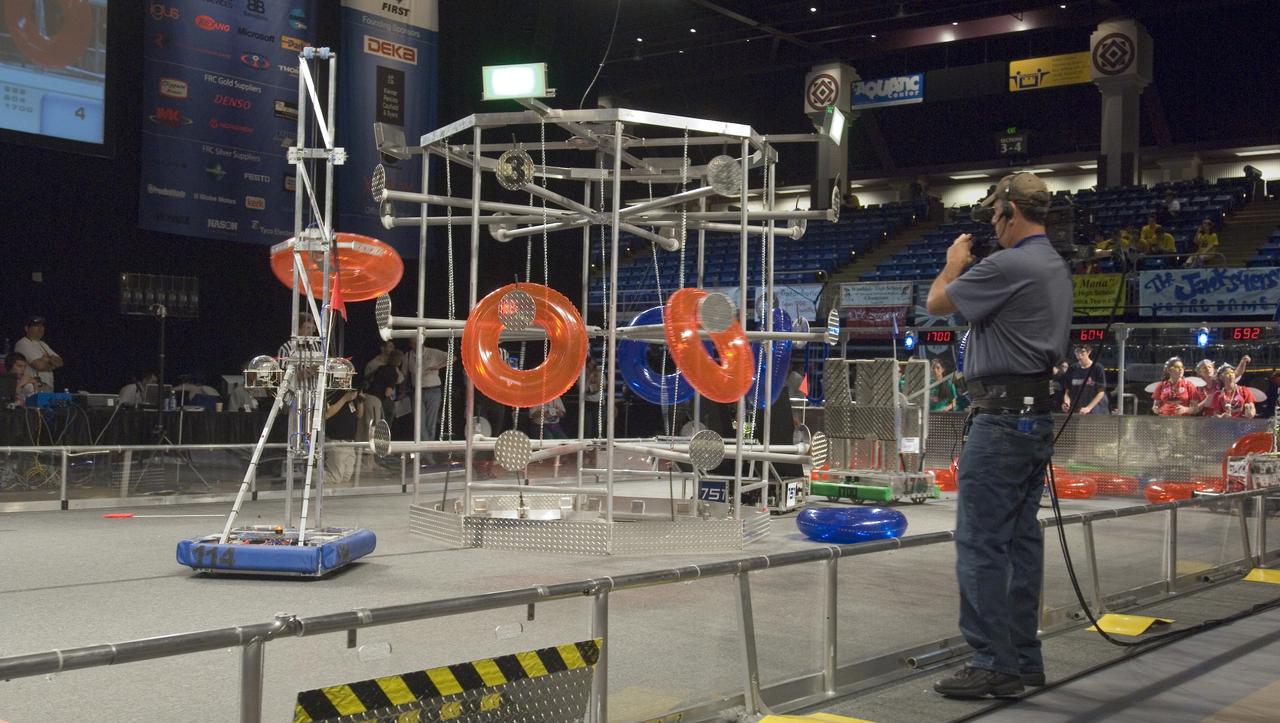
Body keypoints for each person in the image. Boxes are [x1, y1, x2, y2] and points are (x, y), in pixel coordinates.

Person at [926, 171, 1071, 698]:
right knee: (1020, 542)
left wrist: (952, 265)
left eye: (993, 213)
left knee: (981, 542)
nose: (991, 222)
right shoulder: (1052, 264)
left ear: (1011, 211)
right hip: (1032, 418)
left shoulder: (1011, 263)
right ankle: (1022, 660)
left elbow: (937, 305)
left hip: (1003, 420)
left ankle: (992, 661)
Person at [406, 342, 450, 458]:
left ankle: (427, 456)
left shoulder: (432, 352)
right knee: (419, 424)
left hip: (433, 390)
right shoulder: (409, 356)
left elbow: (452, 357)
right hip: (418, 391)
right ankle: (425, 454)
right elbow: (405, 374)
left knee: (430, 424)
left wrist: (437, 366)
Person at [323, 388, 363, 486]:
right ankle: (311, 475)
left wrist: (361, 400)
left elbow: (359, 415)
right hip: (336, 440)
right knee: (335, 477)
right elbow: (326, 414)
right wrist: (344, 399)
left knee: (346, 476)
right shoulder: (334, 394)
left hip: (350, 442)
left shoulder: (352, 398)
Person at [14, 316, 62, 390]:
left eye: (42, 326)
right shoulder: (23, 343)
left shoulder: (43, 344)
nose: (41, 329)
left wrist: (45, 360)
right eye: (36, 326)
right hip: (32, 388)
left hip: (47, 387)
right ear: (27, 328)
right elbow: (39, 366)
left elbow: (59, 362)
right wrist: (51, 362)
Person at [1062, 345, 1108, 414]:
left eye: (1082, 352)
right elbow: (1067, 392)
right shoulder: (1072, 368)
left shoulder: (1098, 368)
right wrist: (1066, 402)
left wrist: (1089, 408)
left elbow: (1101, 392)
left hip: (1095, 411)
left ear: (1089, 352)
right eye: (1077, 351)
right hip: (1076, 410)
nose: (1079, 355)